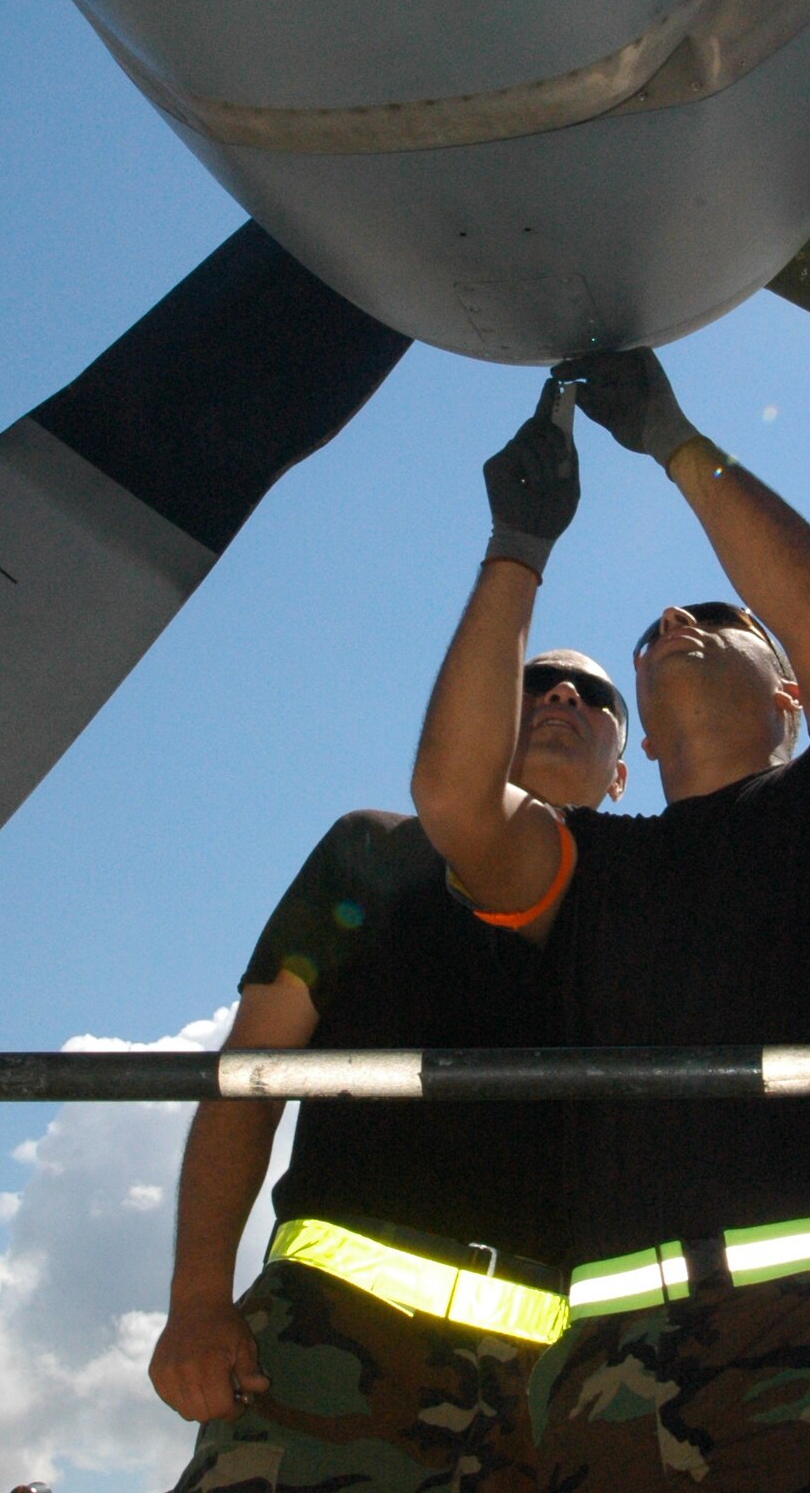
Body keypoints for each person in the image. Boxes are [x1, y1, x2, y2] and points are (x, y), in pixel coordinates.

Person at [411, 351, 810, 1493]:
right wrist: (518, 542)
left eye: (719, 616)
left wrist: (673, 440)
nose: (671, 617)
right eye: (650, 632)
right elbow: (457, 801)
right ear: (639, 752)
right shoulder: (587, 863)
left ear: (788, 693)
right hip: (599, 1366)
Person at [151, 631, 629, 1492]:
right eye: (540, 684)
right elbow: (250, 1073)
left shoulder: (651, 904)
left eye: (594, 697)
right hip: (323, 1352)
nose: (562, 699)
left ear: (622, 773)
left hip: (559, 1394)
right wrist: (196, 1301)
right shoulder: (370, 854)